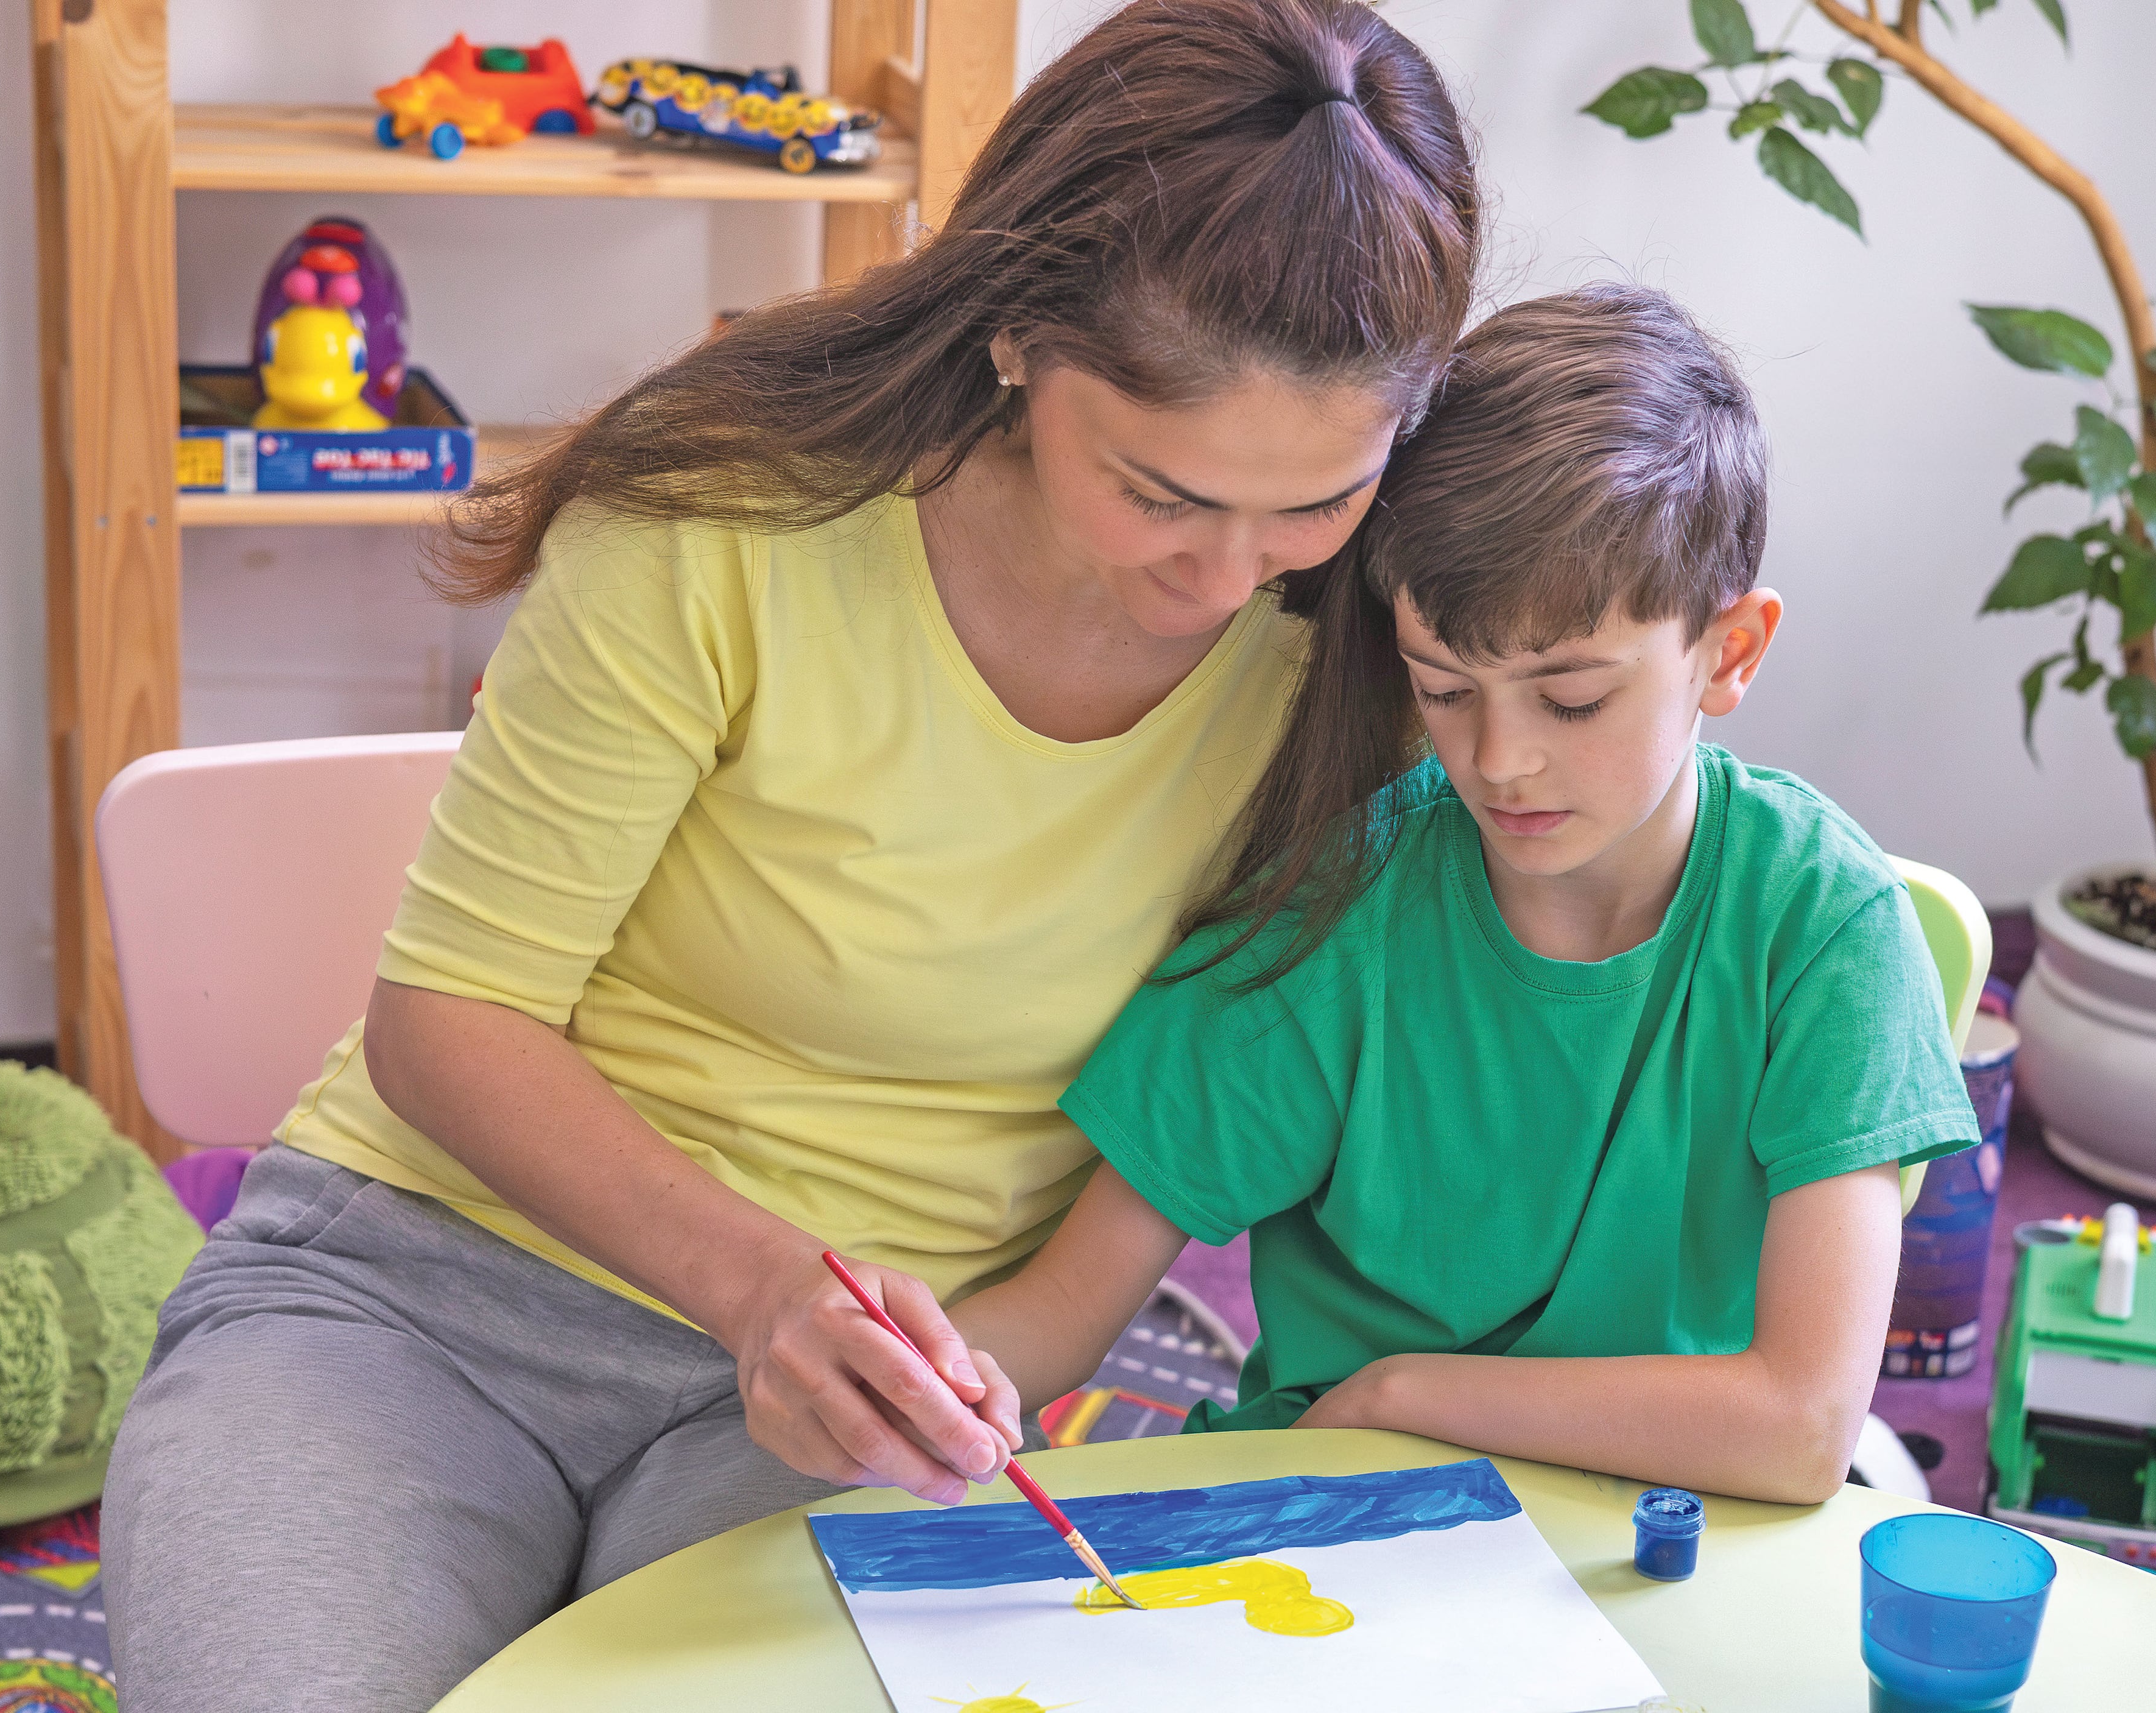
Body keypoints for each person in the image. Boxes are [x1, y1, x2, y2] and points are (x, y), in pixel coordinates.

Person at [98, 3, 1479, 1706]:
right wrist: (764, 1288)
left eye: (1313, 503)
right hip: (419, 1287)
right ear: (1018, 339)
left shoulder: (1367, 644)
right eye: (1161, 492)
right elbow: (448, 1017)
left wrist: (962, 1357)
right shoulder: (728, 504)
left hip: (873, 1402)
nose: (1227, 577)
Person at [952, 286, 1981, 1502]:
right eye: (1444, 687)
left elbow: (1801, 1426)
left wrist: (1407, 1392)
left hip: (1669, 1517)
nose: (1499, 760)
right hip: (1344, 1507)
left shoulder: (1826, 926)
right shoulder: (1343, 912)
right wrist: (923, 1373)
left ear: (1730, 651)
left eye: (1573, 698)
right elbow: (1067, 1304)